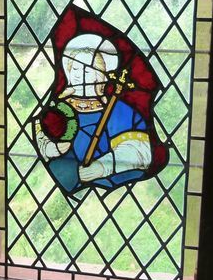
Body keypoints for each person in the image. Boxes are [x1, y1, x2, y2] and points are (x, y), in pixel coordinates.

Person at [35, 33, 152, 193]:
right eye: (75, 68)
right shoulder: (58, 107)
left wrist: (104, 167)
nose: (80, 74)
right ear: (68, 72)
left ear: (99, 75)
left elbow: (141, 149)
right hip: (69, 177)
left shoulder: (117, 108)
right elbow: (40, 134)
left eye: (87, 70)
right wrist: (50, 148)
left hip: (111, 184)